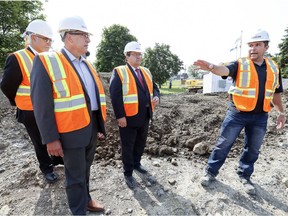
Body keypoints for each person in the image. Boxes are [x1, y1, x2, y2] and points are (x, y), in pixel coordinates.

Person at [193, 29, 286, 195]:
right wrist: (213, 67)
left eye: (257, 45)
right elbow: (225, 70)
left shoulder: (273, 67)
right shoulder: (240, 64)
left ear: (266, 47)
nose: (253, 48)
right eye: (250, 45)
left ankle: (245, 175)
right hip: (237, 114)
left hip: (260, 116)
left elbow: (276, 93)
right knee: (223, 144)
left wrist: (281, 113)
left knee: (253, 149)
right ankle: (210, 172)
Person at [30, 16, 106, 215]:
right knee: (74, 175)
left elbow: (93, 99)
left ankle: (86, 198)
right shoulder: (47, 60)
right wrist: (50, 138)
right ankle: (78, 211)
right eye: (83, 35)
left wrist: (99, 126)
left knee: (86, 169)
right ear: (69, 37)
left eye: (87, 35)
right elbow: (41, 105)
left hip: (90, 126)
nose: (88, 39)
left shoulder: (87, 64)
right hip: (69, 130)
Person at [0, 19, 63, 183]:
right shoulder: (17, 58)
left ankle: (57, 160)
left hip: (51, 108)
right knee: (40, 140)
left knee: (53, 136)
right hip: (30, 110)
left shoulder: (50, 57)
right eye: (46, 39)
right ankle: (47, 168)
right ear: (33, 38)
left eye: (51, 40)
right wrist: (18, 102)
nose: (49, 43)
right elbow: (7, 85)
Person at [109, 41, 160, 189]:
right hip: (129, 117)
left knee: (140, 143)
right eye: (135, 54)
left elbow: (155, 87)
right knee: (128, 145)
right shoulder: (119, 71)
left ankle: (137, 164)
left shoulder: (145, 71)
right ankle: (128, 173)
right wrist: (120, 117)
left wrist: (157, 96)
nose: (139, 57)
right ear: (127, 56)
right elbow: (115, 96)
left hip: (145, 115)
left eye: (140, 54)